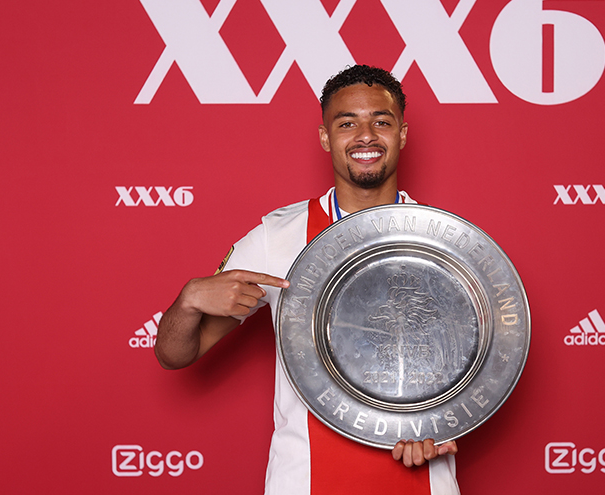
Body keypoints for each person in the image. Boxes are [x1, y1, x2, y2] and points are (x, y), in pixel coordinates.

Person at [155, 65, 460, 495]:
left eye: (381, 122)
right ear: (325, 137)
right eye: (347, 123)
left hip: (423, 478)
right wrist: (187, 301)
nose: (366, 136)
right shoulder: (277, 236)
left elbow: (475, 365)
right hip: (304, 481)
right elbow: (174, 355)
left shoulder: (448, 241)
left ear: (402, 134)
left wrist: (439, 423)